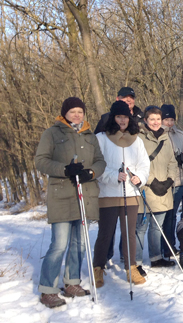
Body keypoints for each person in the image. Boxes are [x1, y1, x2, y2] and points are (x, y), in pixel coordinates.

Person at [35, 97, 106, 308]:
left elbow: (101, 161)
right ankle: (48, 289)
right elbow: (41, 161)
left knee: (80, 243)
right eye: (73, 111)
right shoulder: (52, 133)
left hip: (85, 194)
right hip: (62, 196)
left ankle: (72, 282)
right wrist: (64, 169)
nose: (77, 115)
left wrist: (91, 173)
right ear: (65, 113)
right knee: (59, 244)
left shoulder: (90, 135)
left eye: (80, 112)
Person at [93, 101, 149, 288]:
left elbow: (144, 165)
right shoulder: (101, 138)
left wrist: (139, 178)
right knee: (106, 233)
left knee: (129, 233)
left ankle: (131, 267)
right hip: (108, 193)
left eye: (125, 117)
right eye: (119, 117)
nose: (122, 120)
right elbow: (97, 165)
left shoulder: (137, 140)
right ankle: (98, 268)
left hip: (130, 193)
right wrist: (112, 176)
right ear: (112, 118)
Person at [135, 106, 178, 272]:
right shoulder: (138, 138)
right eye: (151, 119)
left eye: (158, 119)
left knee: (157, 227)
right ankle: (136, 262)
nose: (155, 122)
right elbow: (136, 163)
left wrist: (169, 181)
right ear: (145, 120)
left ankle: (156, 257)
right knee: (141, 227)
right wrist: (152, 181)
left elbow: (172, 162)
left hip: (163, 189)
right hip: (145, 188)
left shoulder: (166, 138)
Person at [160, 104, 183, 258]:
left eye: (172, 119)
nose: (169, 123)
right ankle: (163, 245)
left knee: (172, 215)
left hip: (179, 180)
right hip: (163, 181)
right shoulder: (157, 134)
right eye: (167, 119)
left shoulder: (181, 135)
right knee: (164, 214)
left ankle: (170, 245)